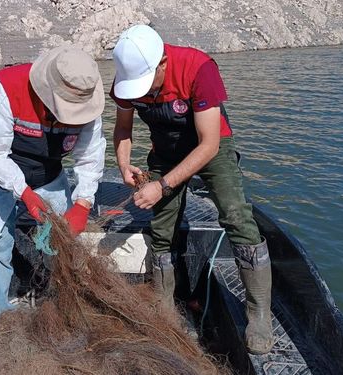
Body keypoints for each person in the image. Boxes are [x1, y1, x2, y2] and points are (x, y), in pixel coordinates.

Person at [110, 25, 273, 354]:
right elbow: (123, 129)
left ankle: (258, 312)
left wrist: (163, 184)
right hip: (165, 151)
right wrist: (124, 164)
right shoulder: (126, 82)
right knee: (161, 228)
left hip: (210, 148)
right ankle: (164, 306)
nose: (142, 93)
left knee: (235, 216)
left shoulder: (199, 68)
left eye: (148, 84)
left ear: (163, 63)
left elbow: (210, 144)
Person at [0, 45, 106, 318]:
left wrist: (84, 203)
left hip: (47, 170)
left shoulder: (87, 102)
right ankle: (0, 310)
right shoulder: (4, 89)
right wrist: (25, 194)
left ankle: (57, 295)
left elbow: (90, 157)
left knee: (63, 238)